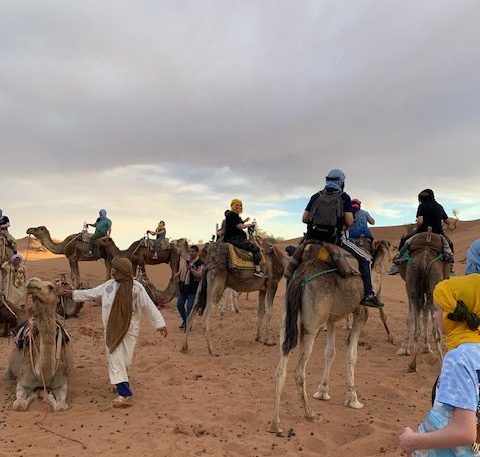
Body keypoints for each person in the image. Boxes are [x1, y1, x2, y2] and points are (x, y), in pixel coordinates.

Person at [61, 257, 167, 407]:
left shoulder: (136, 288)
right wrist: (71, 294)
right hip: (111, 329)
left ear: (122, 271)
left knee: (124, 360)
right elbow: (91, 293)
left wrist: (160, 324)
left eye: (115, 269)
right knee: (115, 357)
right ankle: (124, 393)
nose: (112, 271)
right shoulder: (109, 285)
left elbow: (149, 306)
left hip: (129, 330)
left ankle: (120, 383)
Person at [399, 274, 480, 456]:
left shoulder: (458, 359)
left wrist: (412, 441)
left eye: (437, 310)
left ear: (451, 315)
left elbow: (464, 432)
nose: (435, 316)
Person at [302, 169, 381, 308]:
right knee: (366, 259)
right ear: (341, 182)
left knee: (298, 254)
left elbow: (304, 219)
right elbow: (350, 222)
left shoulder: (316, 196)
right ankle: (369, 294)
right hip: (335, 239)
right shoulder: (344, 197)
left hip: (312, 238)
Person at [389, 189, 455, 275]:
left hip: (422, 232)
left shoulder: (422, 206)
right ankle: (450, 268)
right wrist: (449, 226)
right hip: (438, 234)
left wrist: (416, 228)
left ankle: (397, 264)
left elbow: (420, 221)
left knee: (405, 240)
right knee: (450, 244)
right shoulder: (439, 207)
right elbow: (448, 222)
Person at [223, 199, 266, 278]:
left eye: (240, 205)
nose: (239, 207)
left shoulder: (234, 215)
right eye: (237, 205)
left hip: (235, 238)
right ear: (233, 205)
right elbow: (240, 226)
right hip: (234, 239)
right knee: (256, 249)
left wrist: (245, 222)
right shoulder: (232, 214)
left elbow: (239, 223)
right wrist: (251, 224)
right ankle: (258, 270)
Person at [175, 245, 204, 330]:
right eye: (190, 251)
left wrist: (191, 270)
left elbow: (201, 275)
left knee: (189, 308)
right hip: (183, 287)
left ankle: (187, 324)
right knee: (179, 305)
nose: (190, 253)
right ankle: (186, 321)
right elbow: (183, 269)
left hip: (193, 289)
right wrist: (178, 274)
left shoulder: (200, 263)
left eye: (192, 251)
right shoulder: (186, 260)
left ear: (197, 252)